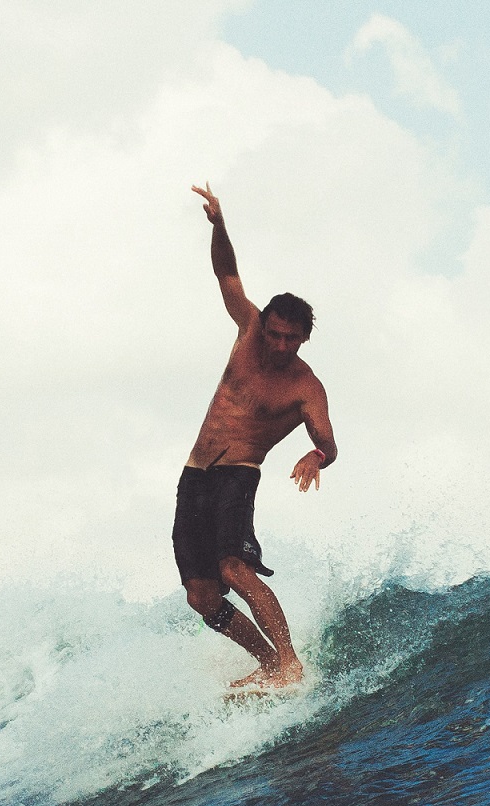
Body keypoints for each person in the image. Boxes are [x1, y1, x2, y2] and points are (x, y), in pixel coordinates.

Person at [174, 182, 338, 689]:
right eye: (276, 333)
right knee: (202, 595)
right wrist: (219, 223)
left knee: (234, 568)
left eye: (293, 338)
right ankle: (267, 664)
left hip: (237, 474)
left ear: (304, 338)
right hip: (195, 473)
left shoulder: (306, 386)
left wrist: (316, 456)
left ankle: (289, 663)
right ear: (263, 325)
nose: (282, 344)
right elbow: (226, 272)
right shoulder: (246, 332)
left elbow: (329, 442)